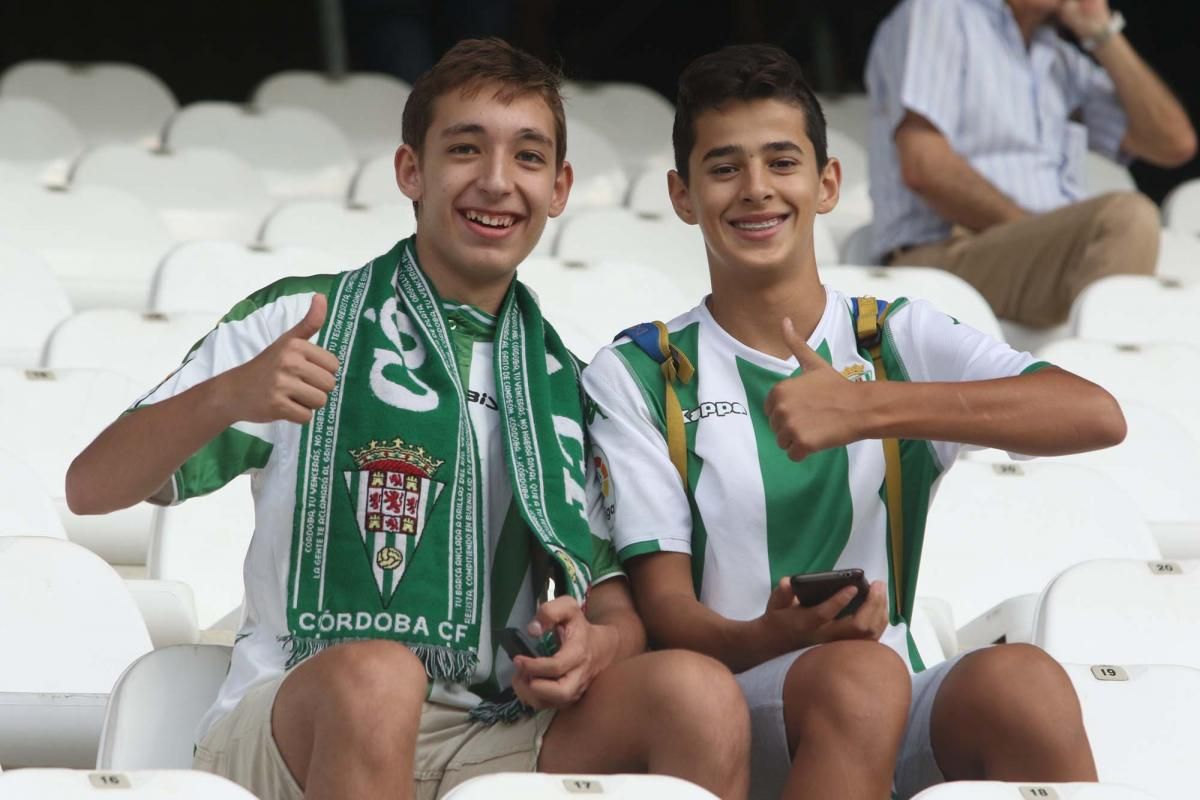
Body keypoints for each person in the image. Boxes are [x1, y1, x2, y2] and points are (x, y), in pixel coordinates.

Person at [66, 38, 750, 800]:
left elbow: (614, 596)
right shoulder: (304, 319)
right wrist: (228, 396)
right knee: (382, 674)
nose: (496, 182)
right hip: (306, 715)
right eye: (465, 149)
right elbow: (91, 487)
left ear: (559, 189)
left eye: (527, 158)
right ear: (410, 172)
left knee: (701, 697)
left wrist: (601, 644)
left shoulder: (560, 376)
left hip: (494, 729)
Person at [583, 43, 1126, 799]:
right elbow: (669, 617)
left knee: (1024, 683)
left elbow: (1095, 414)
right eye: (724, 167)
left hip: (884, 695)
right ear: (682, 195)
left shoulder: (892, 336)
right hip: (729, 710)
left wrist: (869, 406)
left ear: (827, 182)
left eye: (781, 161)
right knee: (860, 675)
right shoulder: (642, 370)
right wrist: (775, 637)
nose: (756, 190)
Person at [865, 0, 1196, 328]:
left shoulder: (1057, 56)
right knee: (1128, 218)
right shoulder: (940, 12)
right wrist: (1045, 238)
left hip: (1033, 256)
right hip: (945, 254)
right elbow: (924, 167)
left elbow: (1173, 144)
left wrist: (1103, 33)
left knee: (1180, 302)